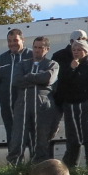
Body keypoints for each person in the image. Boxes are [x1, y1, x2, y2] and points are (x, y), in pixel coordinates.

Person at [56, 38, 88, 166]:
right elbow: (62, 83)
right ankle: (72, 168)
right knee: (73, 139)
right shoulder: (69, 65)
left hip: (87, 105)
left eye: (79, 49)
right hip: (71, 106)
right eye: (74, 49)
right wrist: (71, 69)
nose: (76, 52)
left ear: (86, 51)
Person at [14, 35, 61, 164]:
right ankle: (15, 167)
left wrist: (29, 77)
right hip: (23, 106)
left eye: (40, 48)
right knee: (18, 138)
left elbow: (48, 79)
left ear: (47, 49)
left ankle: (40, 168)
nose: (37, 50)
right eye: (35, 47)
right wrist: (38, 79)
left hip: (43, 107)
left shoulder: (52, 64)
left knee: (41, 140)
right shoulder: (22, 64)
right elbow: (17, 80)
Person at [0, 28, 33, 142]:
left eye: (15, 40)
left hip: (30, 106)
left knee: (32, 137)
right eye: (9, 41)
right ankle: (14, 154)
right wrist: (1, 97)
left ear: (23, 40)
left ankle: (34, 154)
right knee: (13, 137)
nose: (12, 43)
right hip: (9, 107)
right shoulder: (1, 60)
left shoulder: (32, 56)